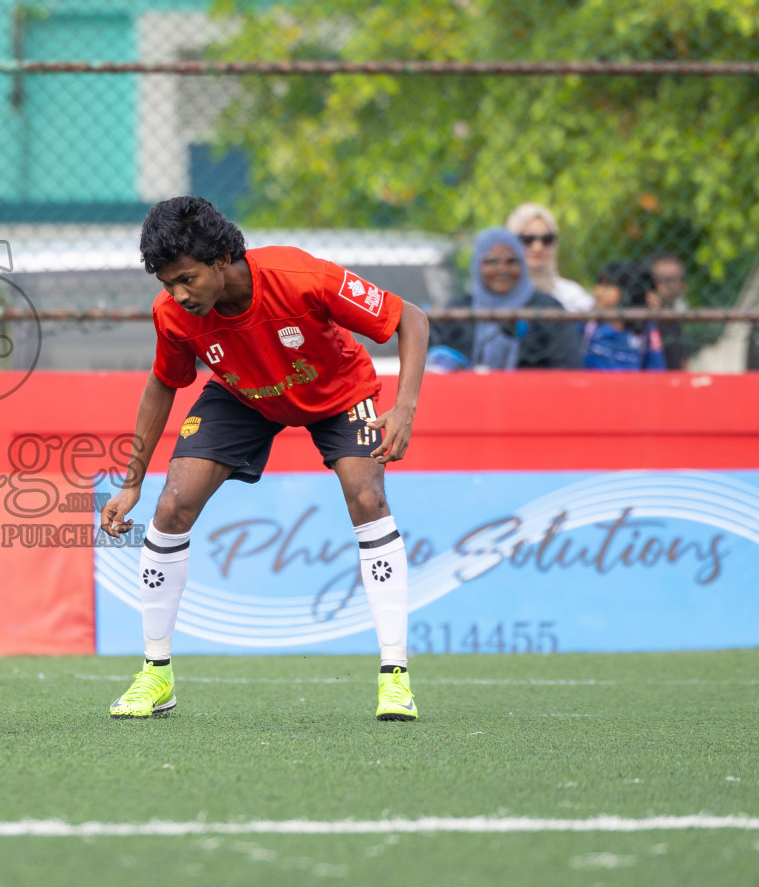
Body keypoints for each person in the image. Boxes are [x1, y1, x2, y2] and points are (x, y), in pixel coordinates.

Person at [99, 196, 428, 722]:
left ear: (221, 260)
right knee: (172, 508)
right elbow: (163, 382)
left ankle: (396, 679)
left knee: (367, 497)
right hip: (243, 393)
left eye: (186, 279)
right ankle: (155, 676)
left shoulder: (300, 277)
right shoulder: (174, 315)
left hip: (337, 390)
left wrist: (403, 408)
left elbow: (410, 319)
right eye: (167, 284)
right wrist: (132, 481)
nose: (178, 295)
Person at [427, 228, 580, 370]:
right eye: (491, 261)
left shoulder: (546, 308)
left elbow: (566, 364)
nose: (502, 269)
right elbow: (437, 362)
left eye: (511, 261)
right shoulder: (458, 310)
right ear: (477, 266)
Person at [504, 202, 594, 312]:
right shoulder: (498, 296)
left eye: (546, 239)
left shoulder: (572, 296)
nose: (538, 247)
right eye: (528, 239)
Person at [583, 261, 665, 371]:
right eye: (598, 284)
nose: (597, 292)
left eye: (606, 285)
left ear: (625, 290)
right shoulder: (588, 326)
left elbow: (656, 371)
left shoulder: (645, 333)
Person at [646, 250, 688, 369]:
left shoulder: (674, 320)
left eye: (678, 279)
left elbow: (683, 363)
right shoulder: (640, 320)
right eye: (667, 279)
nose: (673, 285)